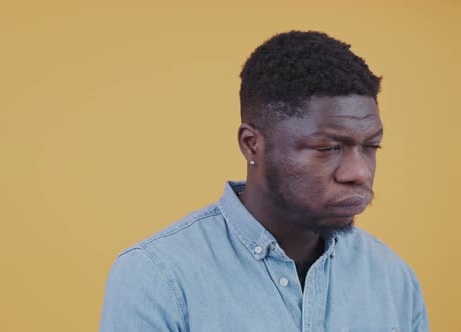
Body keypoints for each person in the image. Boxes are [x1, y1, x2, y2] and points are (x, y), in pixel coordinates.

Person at [99, 31, 429, 331]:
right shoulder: (158, 276)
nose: (359, 172)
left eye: (370, 146)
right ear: (252, 144)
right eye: (328, 148)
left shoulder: (393, 279)